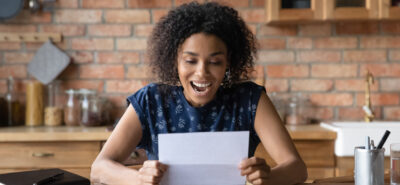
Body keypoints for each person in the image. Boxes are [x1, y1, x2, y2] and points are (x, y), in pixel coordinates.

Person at [90, 2, 307, 185]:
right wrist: (138, 179)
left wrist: (268, 177)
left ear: (228, 62)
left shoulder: (249, 100)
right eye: (190, 60)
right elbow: (99, 168)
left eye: (215, 62)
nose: (202, 72)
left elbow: (297, 168)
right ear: (175, 60)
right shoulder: (151, 100)